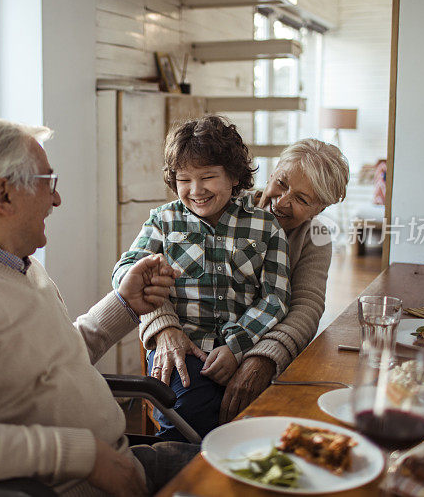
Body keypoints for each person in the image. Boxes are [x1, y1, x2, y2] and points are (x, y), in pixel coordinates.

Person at [0, 118, 198, 497]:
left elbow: (53, 361)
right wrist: (85, 456)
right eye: (48, 183)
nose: (56, 199)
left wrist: (125, 304)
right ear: (4, 196)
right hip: (71, 486)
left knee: (263, 466)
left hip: (120, 463)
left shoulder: (18, 265)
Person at [138, 138, 350, 433]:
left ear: (320, 207)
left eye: (302, 199)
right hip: (194, 347)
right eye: (281, 183)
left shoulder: (316, 236)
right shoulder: (219, 202)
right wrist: (164, 326)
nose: (283, 201)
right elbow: (141, 273)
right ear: (273, 172)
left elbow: (305, 307)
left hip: (255, 344)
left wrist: (258, 356)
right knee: (194, 414)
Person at [111, 115, 291, 440]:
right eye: (184, 180)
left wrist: (237, 347)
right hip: (184, 351)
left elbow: (275, 298)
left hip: (246, 349)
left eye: (208, 177)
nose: (196, 190)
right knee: (186, 419)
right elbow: (125, 271)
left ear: (234, 176)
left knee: (266, 424)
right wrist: (164, 322)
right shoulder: (163, 221)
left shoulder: (266, 226)